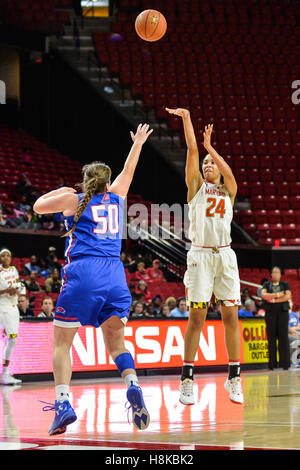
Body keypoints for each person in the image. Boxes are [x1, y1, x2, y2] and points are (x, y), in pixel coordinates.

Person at [33, 123, 153, 435]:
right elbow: (130, 167)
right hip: (115, 275)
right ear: (107, 182)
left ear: (86, 181)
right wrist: (138, 142)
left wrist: (63, 191)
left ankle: (62, 404)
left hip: (84, 272)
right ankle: (132, 384)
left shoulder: (73, 200)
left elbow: (37, 207)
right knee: (116, 342)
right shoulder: (118, 197)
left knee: (61, 344)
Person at [166, 107, 243, 405]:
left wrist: (213, 147)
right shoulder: (196, 187)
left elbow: (231, 175)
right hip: (199, 257)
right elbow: (191, 151)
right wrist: (187, 120)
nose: (208, 164)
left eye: (213, 163)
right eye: (207, 162)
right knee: (196, 317)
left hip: (225, 256)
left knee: (231, 316)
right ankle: (187, 378)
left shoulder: (229, 191)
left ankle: (234, 376)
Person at [261, 266, 291, 370]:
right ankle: (271, 364)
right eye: (274, 272)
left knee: (283, 338)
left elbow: (287, 296)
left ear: (280, 274)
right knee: (271, 338)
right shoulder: (266, 284)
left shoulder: (284, 284)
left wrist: (273, 299)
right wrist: (278, 294)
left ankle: (285, 364)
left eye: (278, 272)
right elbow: (263, 295)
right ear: (271, 274)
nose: (276, 274)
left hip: (283, 313)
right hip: (270, 313)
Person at [0, 248, 23, 385]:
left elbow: (19, 282)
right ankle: (5, 373)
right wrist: (6, 291)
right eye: (3, 256)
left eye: (8, 255)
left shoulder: (14, 269)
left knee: (10, 339)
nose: (6, 257)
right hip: (4, 308)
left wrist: (18, 288)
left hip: (14, 307)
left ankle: (5, 372)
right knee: (12, 339)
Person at [288, 300, 300, 367]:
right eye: (288, 302)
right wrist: (295, 331)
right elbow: (288, 329)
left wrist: (294, 329)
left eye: (290, 302)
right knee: (296, 341)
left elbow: (299, 326)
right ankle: (294, 362)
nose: (290, 304)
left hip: (297, 333)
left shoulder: (294, 314)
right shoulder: (284, 315)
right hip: (289, 334)